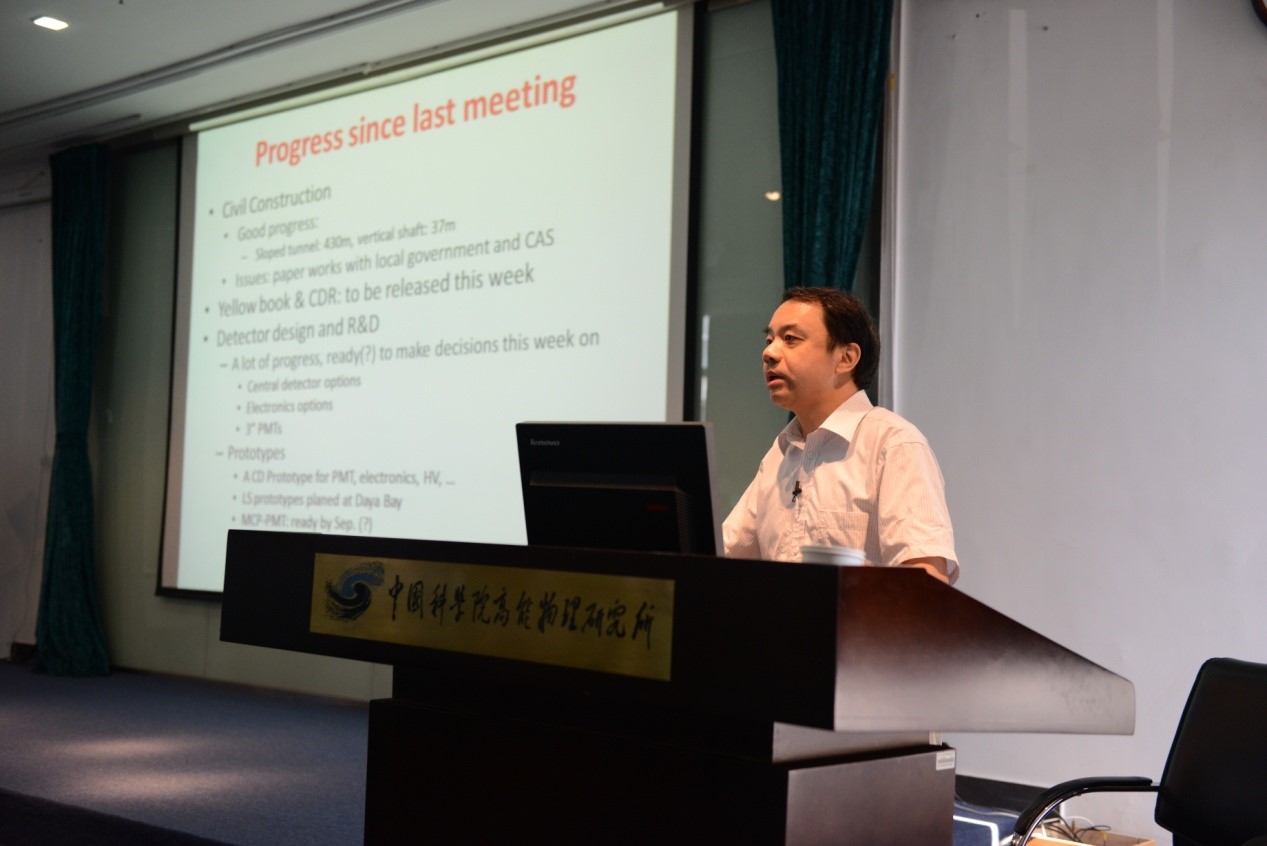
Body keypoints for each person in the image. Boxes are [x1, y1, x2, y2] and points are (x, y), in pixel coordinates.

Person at [722, 287, 958, 583]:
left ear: (846, 358)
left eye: (790, 339)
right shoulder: (779, 455)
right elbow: (719, 559)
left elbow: (926, 581)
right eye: (769, 340)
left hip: (858, 616)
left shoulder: (893, 444)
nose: (769, 353)